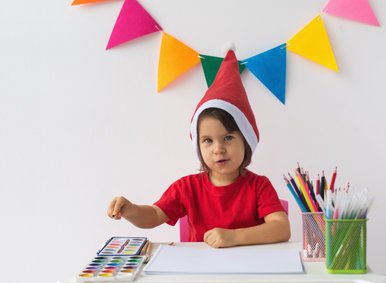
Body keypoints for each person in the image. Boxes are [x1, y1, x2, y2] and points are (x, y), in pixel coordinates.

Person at [107, 48, 290, 248]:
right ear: (198, 145)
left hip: (248, 274)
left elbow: (282, 228)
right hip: (201, 275)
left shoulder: (259, 186)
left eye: (228, 137)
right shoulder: (187, 188)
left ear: (246, 140)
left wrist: (234, 237)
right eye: (208, 140)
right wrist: (130, 210)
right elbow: (154, 215)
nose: (218, 149)